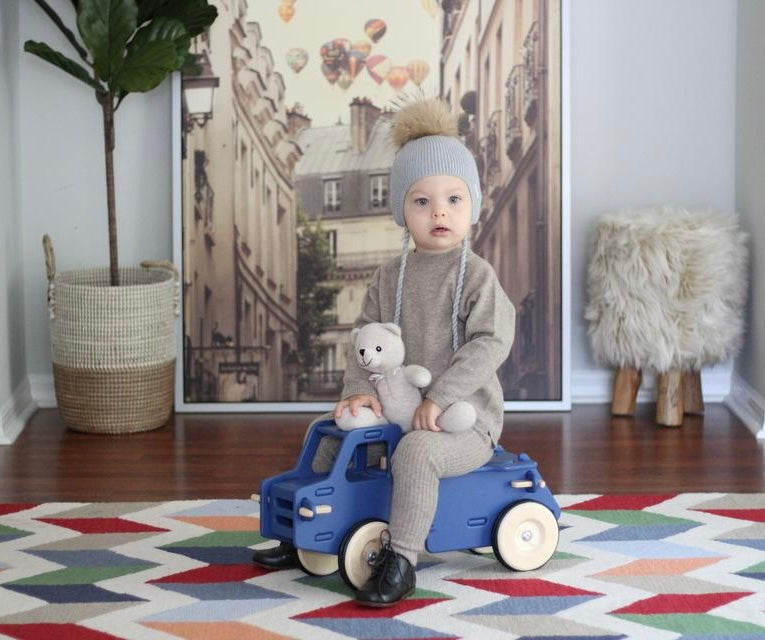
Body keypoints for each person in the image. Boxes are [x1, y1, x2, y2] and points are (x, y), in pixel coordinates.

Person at [253, 98, 515, 607]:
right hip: (398, 408)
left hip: (464, 423)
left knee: (416, 452)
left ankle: (403, 559)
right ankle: (307, 535)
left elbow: (491, 343)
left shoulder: (478, 276)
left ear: (472, 207)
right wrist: (356, 391)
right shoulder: (388, 276)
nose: (439, 211)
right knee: (328, 433)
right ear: (402, 211)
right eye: (422, 201)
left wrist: (440, 397)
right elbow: (363, 339)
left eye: (454, 199)